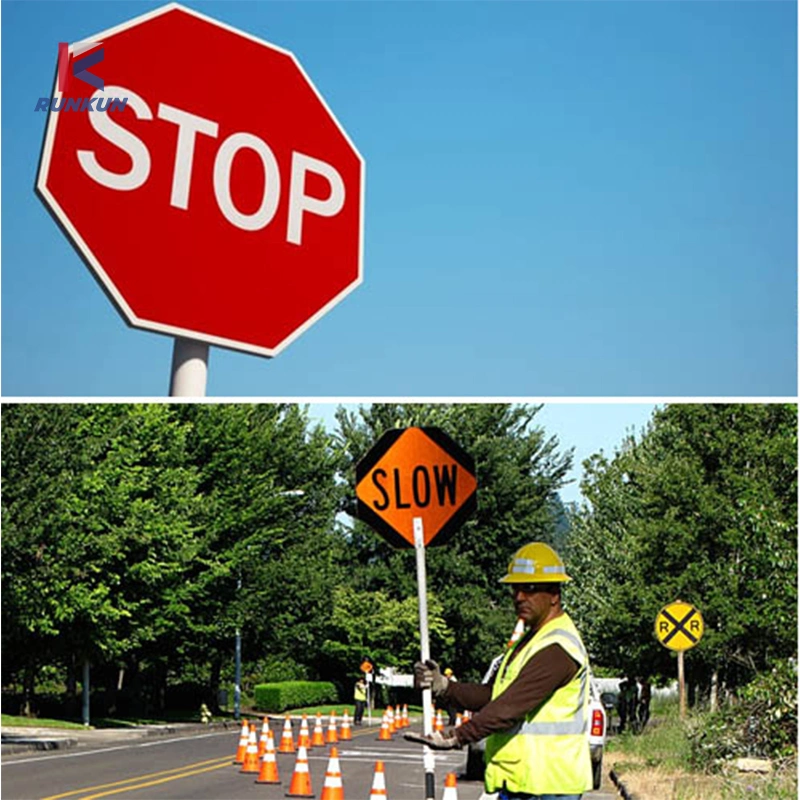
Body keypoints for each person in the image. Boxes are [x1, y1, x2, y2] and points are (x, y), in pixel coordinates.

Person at [406, 542, 593, 800]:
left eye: (529, 589)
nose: (518, 597)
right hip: (523, 783)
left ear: (554, 594)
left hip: (550, 787)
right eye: (514, 589)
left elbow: (509, 708)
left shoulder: (559, 647)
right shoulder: (528, 641)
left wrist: (456, 736)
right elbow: (493, 694)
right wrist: (444, 687)